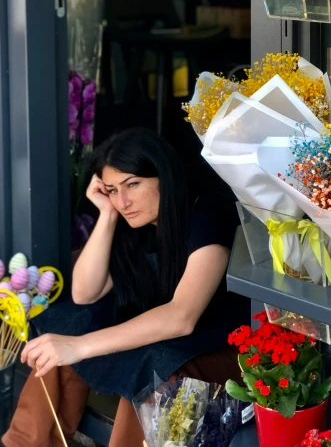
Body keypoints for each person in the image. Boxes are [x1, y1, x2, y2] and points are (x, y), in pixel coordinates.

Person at [3, 128, 249, 447]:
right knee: (69, 322)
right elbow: (84, 293)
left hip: (217, 344)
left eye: (132, 184)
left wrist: (80, 346)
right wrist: (105, 215)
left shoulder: (207, 210)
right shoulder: (125, 217)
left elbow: (181, 316)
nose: (123, 201)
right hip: (164, 332)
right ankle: (25, 443)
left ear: (163, 175)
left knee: (153, 362)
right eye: (112, 190)